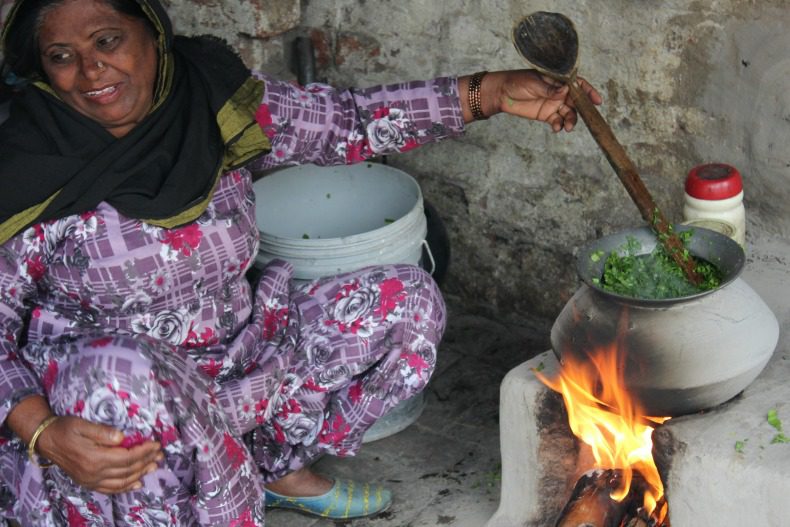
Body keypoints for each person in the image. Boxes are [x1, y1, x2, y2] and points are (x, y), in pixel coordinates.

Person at [0, 0, 602, 525]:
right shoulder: (23, 163)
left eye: (107, 41)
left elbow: (349, 122)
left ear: (151, 33)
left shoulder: (212, 103)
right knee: (125, 368)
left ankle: (267, 466)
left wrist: (491, 92)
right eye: (61, 55)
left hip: (234, 367)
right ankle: (209, 495)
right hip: (115, 411)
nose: (90, 69)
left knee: (406, 300)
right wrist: (41, 431)